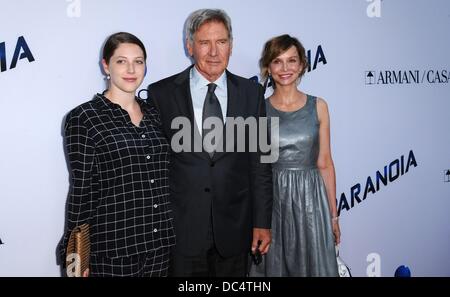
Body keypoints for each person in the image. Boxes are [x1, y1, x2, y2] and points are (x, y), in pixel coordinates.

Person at [147, 9, 273, 277]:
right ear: (190, 46)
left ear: (232, 45)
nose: (214, 52)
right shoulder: (161, 94)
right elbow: (155, 168)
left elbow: (262, 163)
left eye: (222, 42)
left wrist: (262, 223)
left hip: (236, 229)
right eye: (205, 43)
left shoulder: (253, 93)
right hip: (181, 229)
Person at [59, 32, 175, 277]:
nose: (131, 69)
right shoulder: (84, 118)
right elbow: (81, 189)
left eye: (139, 61)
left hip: (159, 246)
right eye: (121, 61)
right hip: (113, 251)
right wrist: (75, 257)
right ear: (106, 66)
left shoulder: (155, 115)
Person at [254, 34, 340, 276]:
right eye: (277, 61)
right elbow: (255, 168)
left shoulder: (319, 106)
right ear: (268, 68)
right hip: (274, 201)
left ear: (302, 64)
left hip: (312, 201)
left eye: (291, 61)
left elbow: (325, 163)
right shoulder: (258, 110)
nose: (285, 68)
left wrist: (333, 216)